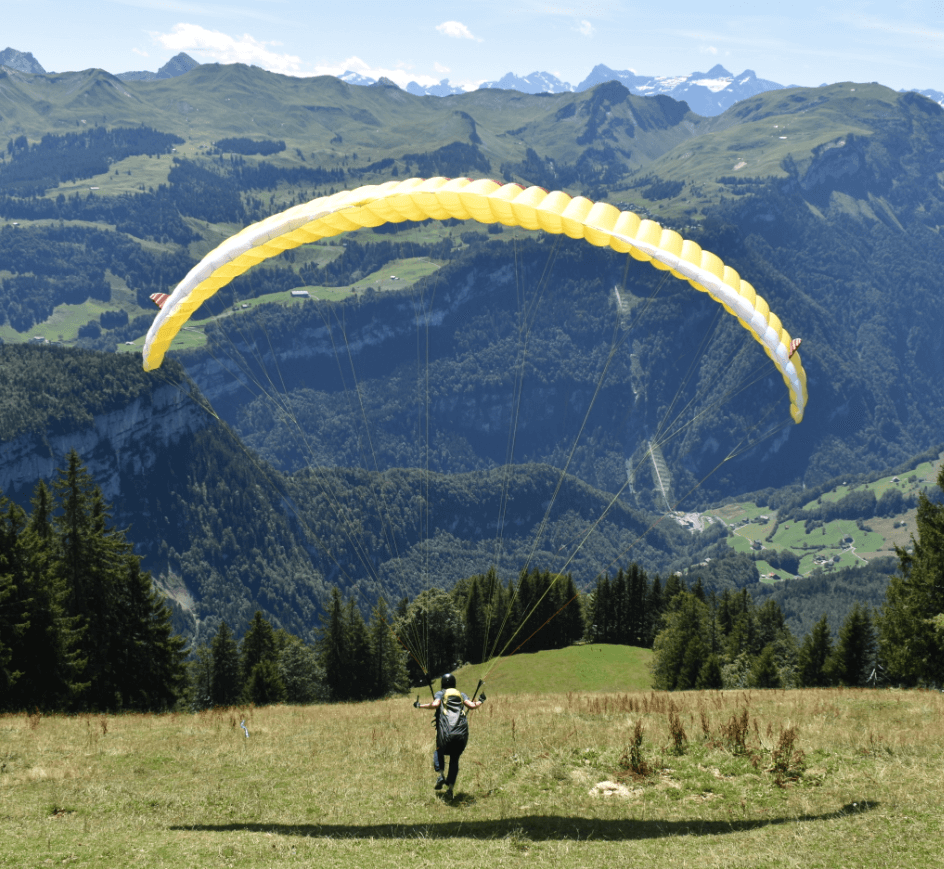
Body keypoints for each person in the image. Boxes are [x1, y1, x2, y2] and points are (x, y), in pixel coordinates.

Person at [414, 673, 485, 797]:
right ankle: (450, 790)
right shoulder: (461, 694)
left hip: (446, 733)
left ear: (443, 684)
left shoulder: (441, 693)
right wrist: (481, 701)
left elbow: (435, 705)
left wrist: (420, 705)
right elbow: (473, 706)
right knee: (454, 759)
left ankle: (441, 775)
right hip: (461, 734)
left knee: (439, 751)